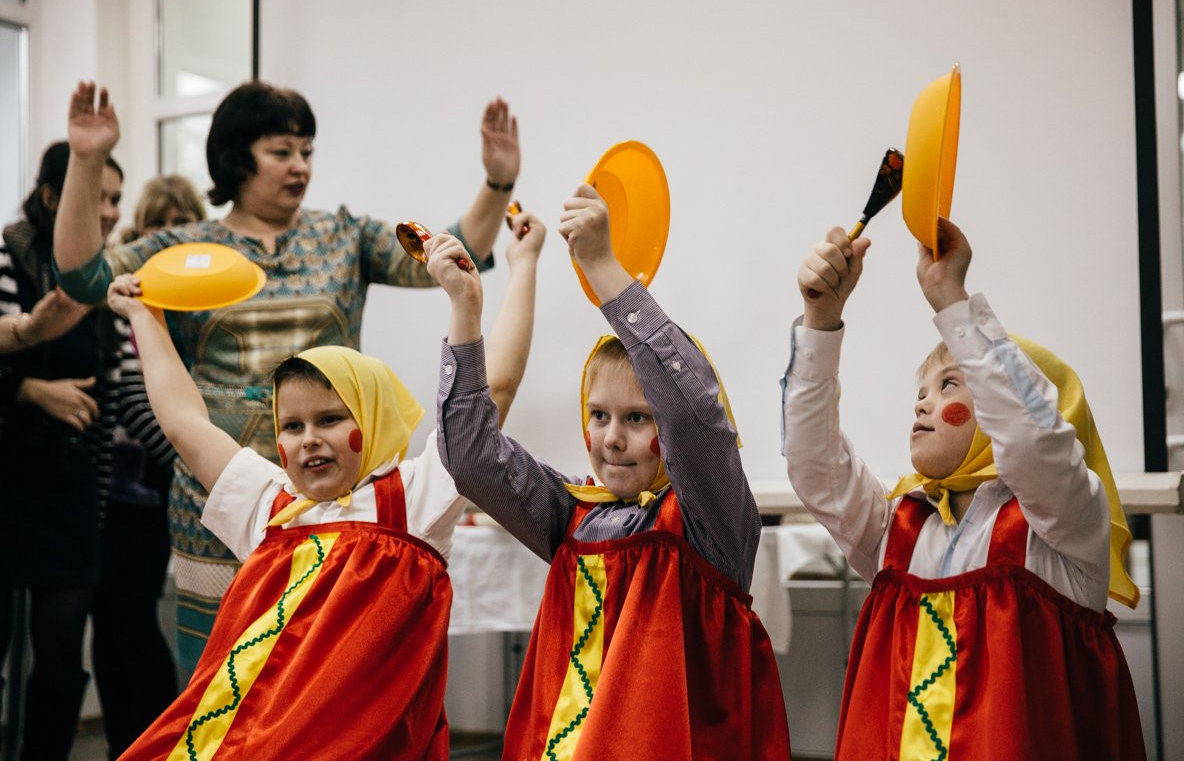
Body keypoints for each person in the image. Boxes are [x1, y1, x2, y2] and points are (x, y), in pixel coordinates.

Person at [53, 80, 521, 670]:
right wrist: (87, 158)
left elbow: (456, 256)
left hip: (334, 507)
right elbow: (83, 278)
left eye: (307, 151)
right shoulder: (183, 248)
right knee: (219, 689)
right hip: (220, 506)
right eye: (282, 151)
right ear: (235, 157)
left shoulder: (343, 237)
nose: (300, 166)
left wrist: (498, 184)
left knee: (320, 675)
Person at [109, 211, 545, 760]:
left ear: (373, 416)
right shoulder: (272, 505)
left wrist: (505, 276)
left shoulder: (414, 500)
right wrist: (145, 316)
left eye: (331, 419)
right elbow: (185, 422)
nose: (309, 439)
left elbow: (494, 389)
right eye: (292, 426)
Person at [432, 184, 790, 760]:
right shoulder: (571, 513)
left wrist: (601, 268)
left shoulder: (708, 519)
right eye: (598, 415)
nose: (612, 438)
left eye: (638, 417)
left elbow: (694, 412)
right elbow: (471, 457)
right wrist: (465, 311)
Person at [781, 219, 1144, 759]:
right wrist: (820, 322)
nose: (921, 404)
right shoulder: (895, 527)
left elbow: (1032, 438)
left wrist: (951, 301)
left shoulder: (1064, 528)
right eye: (921, 391)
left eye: (949, 384)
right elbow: (811, 462)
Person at [0, 140, 121, 760]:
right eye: (95, 195)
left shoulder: (104, 281)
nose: (107, 211)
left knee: (60, 653)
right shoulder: (7, 251)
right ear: (52, 195)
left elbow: (114, 395)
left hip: (69, 493)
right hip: (5, 483)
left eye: (116, 200)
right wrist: (26, 389)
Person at [90, 174, 208, 758]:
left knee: (134, 620)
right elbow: (134, 400)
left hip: (158, 486)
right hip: (115, 486)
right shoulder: (127, 295)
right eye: (158, 223)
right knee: (115, 623)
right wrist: (196, 464)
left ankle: (156, 745)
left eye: (180, 224)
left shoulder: (198, 301)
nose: (167, 236)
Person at [105, 173, 206, 247]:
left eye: (181, 222)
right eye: (158, 223)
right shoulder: (119, 264)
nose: (169, 232)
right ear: (140, 229)